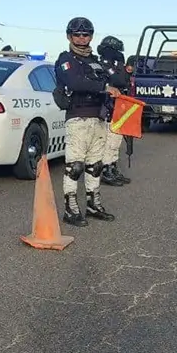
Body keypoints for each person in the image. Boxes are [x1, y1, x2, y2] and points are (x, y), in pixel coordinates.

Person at [53, 17, 128, 227]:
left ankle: (93, 205)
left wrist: (117, 63)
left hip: (99, 117)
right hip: (78, 118)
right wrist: (103, 86)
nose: (81, 38)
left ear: (91, 36)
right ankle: (70, 208)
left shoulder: (96, 61)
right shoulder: (66, 59)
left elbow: (118, 81)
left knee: (95, 166)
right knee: (75, 166)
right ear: (69, 36)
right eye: (76, 34)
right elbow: (75, 82)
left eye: (85, 34)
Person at [96, 35, 132, 186]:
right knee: (110, 140)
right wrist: (123, 69)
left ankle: (113, 167)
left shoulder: (115, 65)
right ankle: (106, 170)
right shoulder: (104, 65)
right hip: (108, 108)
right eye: (116, 51)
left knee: (116, 140)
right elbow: (119, 80)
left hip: (118, 108)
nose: (119, 55)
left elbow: (125, 81)